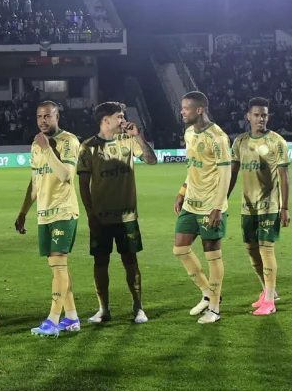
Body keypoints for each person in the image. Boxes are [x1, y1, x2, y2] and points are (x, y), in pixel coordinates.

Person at [77, 101, 158, 325]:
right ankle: (103, 309)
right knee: (100, 263)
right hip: (101, 218)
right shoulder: (88, 147)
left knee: (130, 262)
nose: (124, 120)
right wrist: (90, 214)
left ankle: (138, 307)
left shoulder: (129, 141)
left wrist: (138, 136)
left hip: (127, 216)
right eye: (120, 116)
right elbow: (84, 184)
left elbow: (151, 160)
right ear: (106, 120)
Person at [16, 101, 83, 337]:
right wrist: (23, 211)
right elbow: (35, 183)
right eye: (39, 116)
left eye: (48, 116)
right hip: (44, 213)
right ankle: (72, 317)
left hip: (64, 210)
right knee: (58, 268)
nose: (43, 120)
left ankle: (53, 319)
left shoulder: (69, 141)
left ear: (57, 117)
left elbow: (65, 175)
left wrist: (47, 149)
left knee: (57, 264)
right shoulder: (36, 146)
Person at [172, 92, 232, 324]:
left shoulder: (218, 137)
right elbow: (192, 167)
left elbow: (225, 174)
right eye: (182, 107)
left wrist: (218, 207)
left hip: (210, 206)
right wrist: (182, 191)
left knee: (212, 256)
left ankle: (215, 309)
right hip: (191, 202)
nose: (182, 112)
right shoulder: (189, 133)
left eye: (186, 108)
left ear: (199, 110)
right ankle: (208, 293)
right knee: (180, 250)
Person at [227, 98, 290, 316]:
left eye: (264, 115)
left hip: (269, 205)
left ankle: (270, 301)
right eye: (256, 114)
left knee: (266, 248)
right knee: (251, 250)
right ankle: (267, 291)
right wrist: (222, 199)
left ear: (267, 117)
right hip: (248, 206)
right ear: (248, 116)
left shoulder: (276, 141)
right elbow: (232, 173)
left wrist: (285, 208)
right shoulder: (239, 142)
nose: (260, 118)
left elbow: (284, 176)